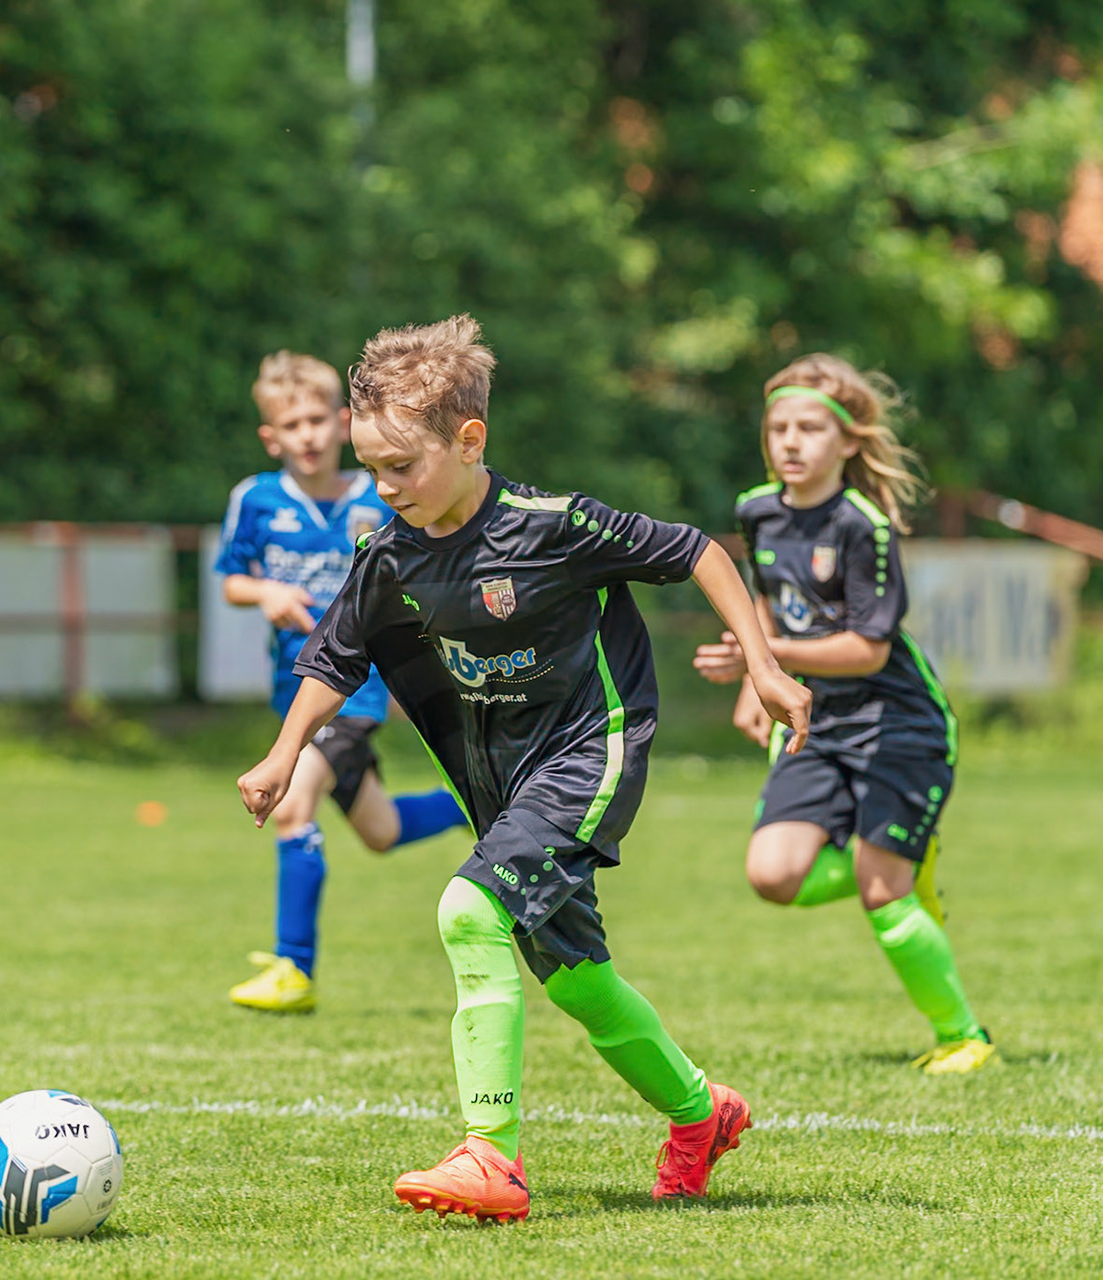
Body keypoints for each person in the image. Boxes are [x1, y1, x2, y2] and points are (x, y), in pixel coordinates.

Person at [237, 317, 812, 1221]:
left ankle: (490, 1158)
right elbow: (336, 656)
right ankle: (703, 1115)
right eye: (372, 467)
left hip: (590, 751)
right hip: (501, 783)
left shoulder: (556, 526)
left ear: (470, 441)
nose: (383, 488)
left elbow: (695, 550)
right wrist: (282, 755)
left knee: (468, 912)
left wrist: (764, 664)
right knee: (581, 982)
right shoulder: (389, 555)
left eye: (402, 466)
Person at [691, 352, 996, 1075]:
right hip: (818, 720)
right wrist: (757, 681)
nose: (791, 443)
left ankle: (964, 1037)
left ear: (848, 441)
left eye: (809, 429)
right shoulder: (757, 510)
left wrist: (764, 652)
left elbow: (866, 649)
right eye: (778, 429)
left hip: (899, 723)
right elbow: (765, 599)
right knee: (772, 876)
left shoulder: (865, 526)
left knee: (882, 891)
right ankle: (890, 859)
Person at [217, 351, 469, 1015]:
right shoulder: (255, 499)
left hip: (357, 689)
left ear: (341, 423)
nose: (305, 435)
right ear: (271, 436)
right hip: (293, 691)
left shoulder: (378, 494)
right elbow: (231, 580)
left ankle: (294, 970)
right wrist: (267, 592)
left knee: (291, 808)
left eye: (315, 420)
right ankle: (474, 806)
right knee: (381, 831)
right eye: (290, 425)